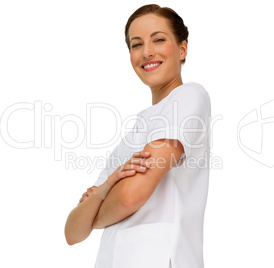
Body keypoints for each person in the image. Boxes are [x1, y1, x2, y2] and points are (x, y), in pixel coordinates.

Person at [64, 4, 211, 268]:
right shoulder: (138, 128)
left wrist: (96, 211)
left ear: (182, 49)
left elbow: (131, 195)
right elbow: (73, 232)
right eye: (136, 44)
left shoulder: (189, 97)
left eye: (159, 39)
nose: (146, 52)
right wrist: (106, 190)